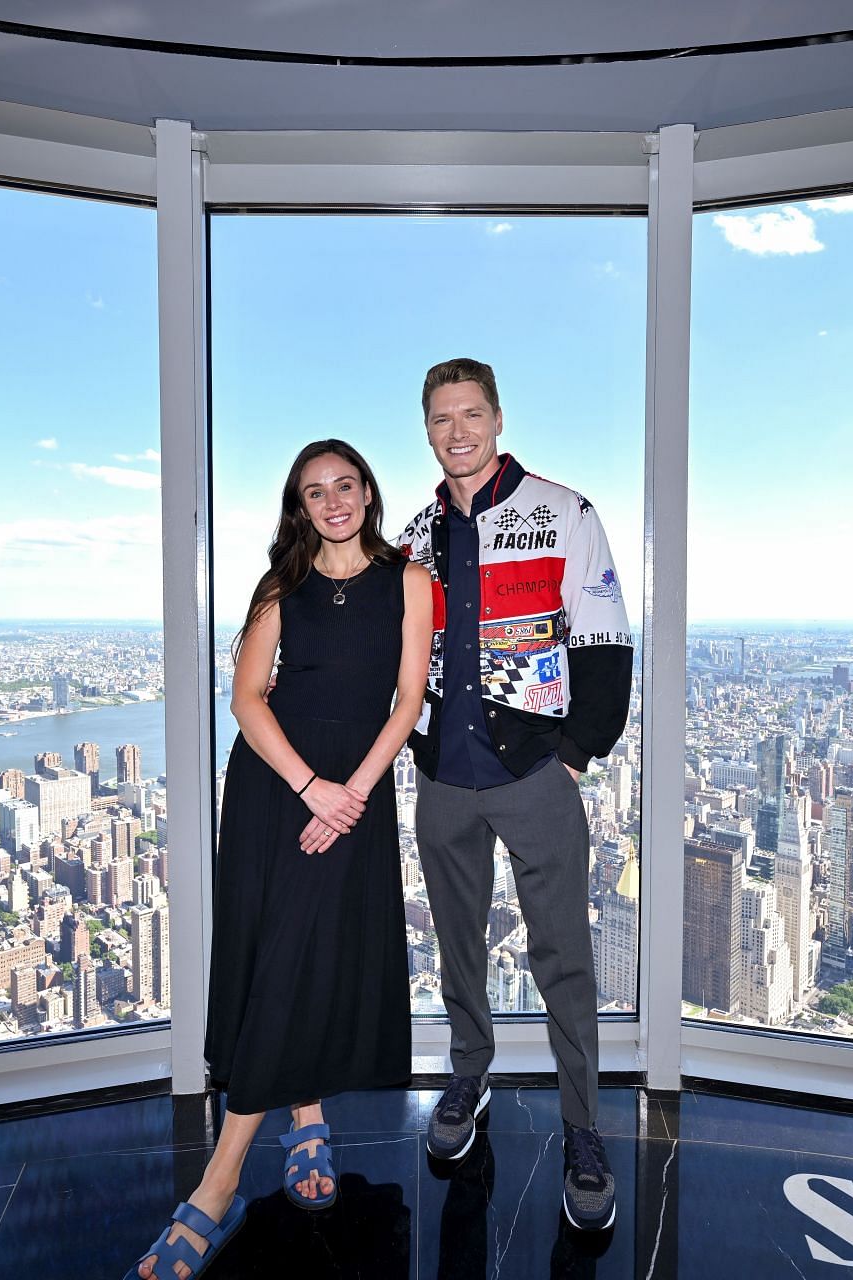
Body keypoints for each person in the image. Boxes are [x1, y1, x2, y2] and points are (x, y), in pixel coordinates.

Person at [136, 440, 432, 1279]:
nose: (333, 501)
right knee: (279, 954)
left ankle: (240, 1168)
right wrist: (311, 789)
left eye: (345, 485)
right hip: (277, 787)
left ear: (369, 492)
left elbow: (407, 700)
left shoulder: (411, 582)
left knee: (307, 954)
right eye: (314, 492)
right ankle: (273, 1142)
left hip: (356, 793)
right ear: (298, 508)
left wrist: (352, 796)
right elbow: (245, 698)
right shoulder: (282, 587)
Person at [399, 358, 634, 1232]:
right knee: (458, 940)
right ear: (426, 429)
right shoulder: (415, 535)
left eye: (471, 415)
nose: (457, 432)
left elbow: (607, 643)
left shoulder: (564, 513)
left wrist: (572, 756)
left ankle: (582, 1128)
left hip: (533, 774)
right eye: (441, 418)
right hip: (443, 777)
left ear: (497, 419)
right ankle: (470, 1073)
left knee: (563, 954)